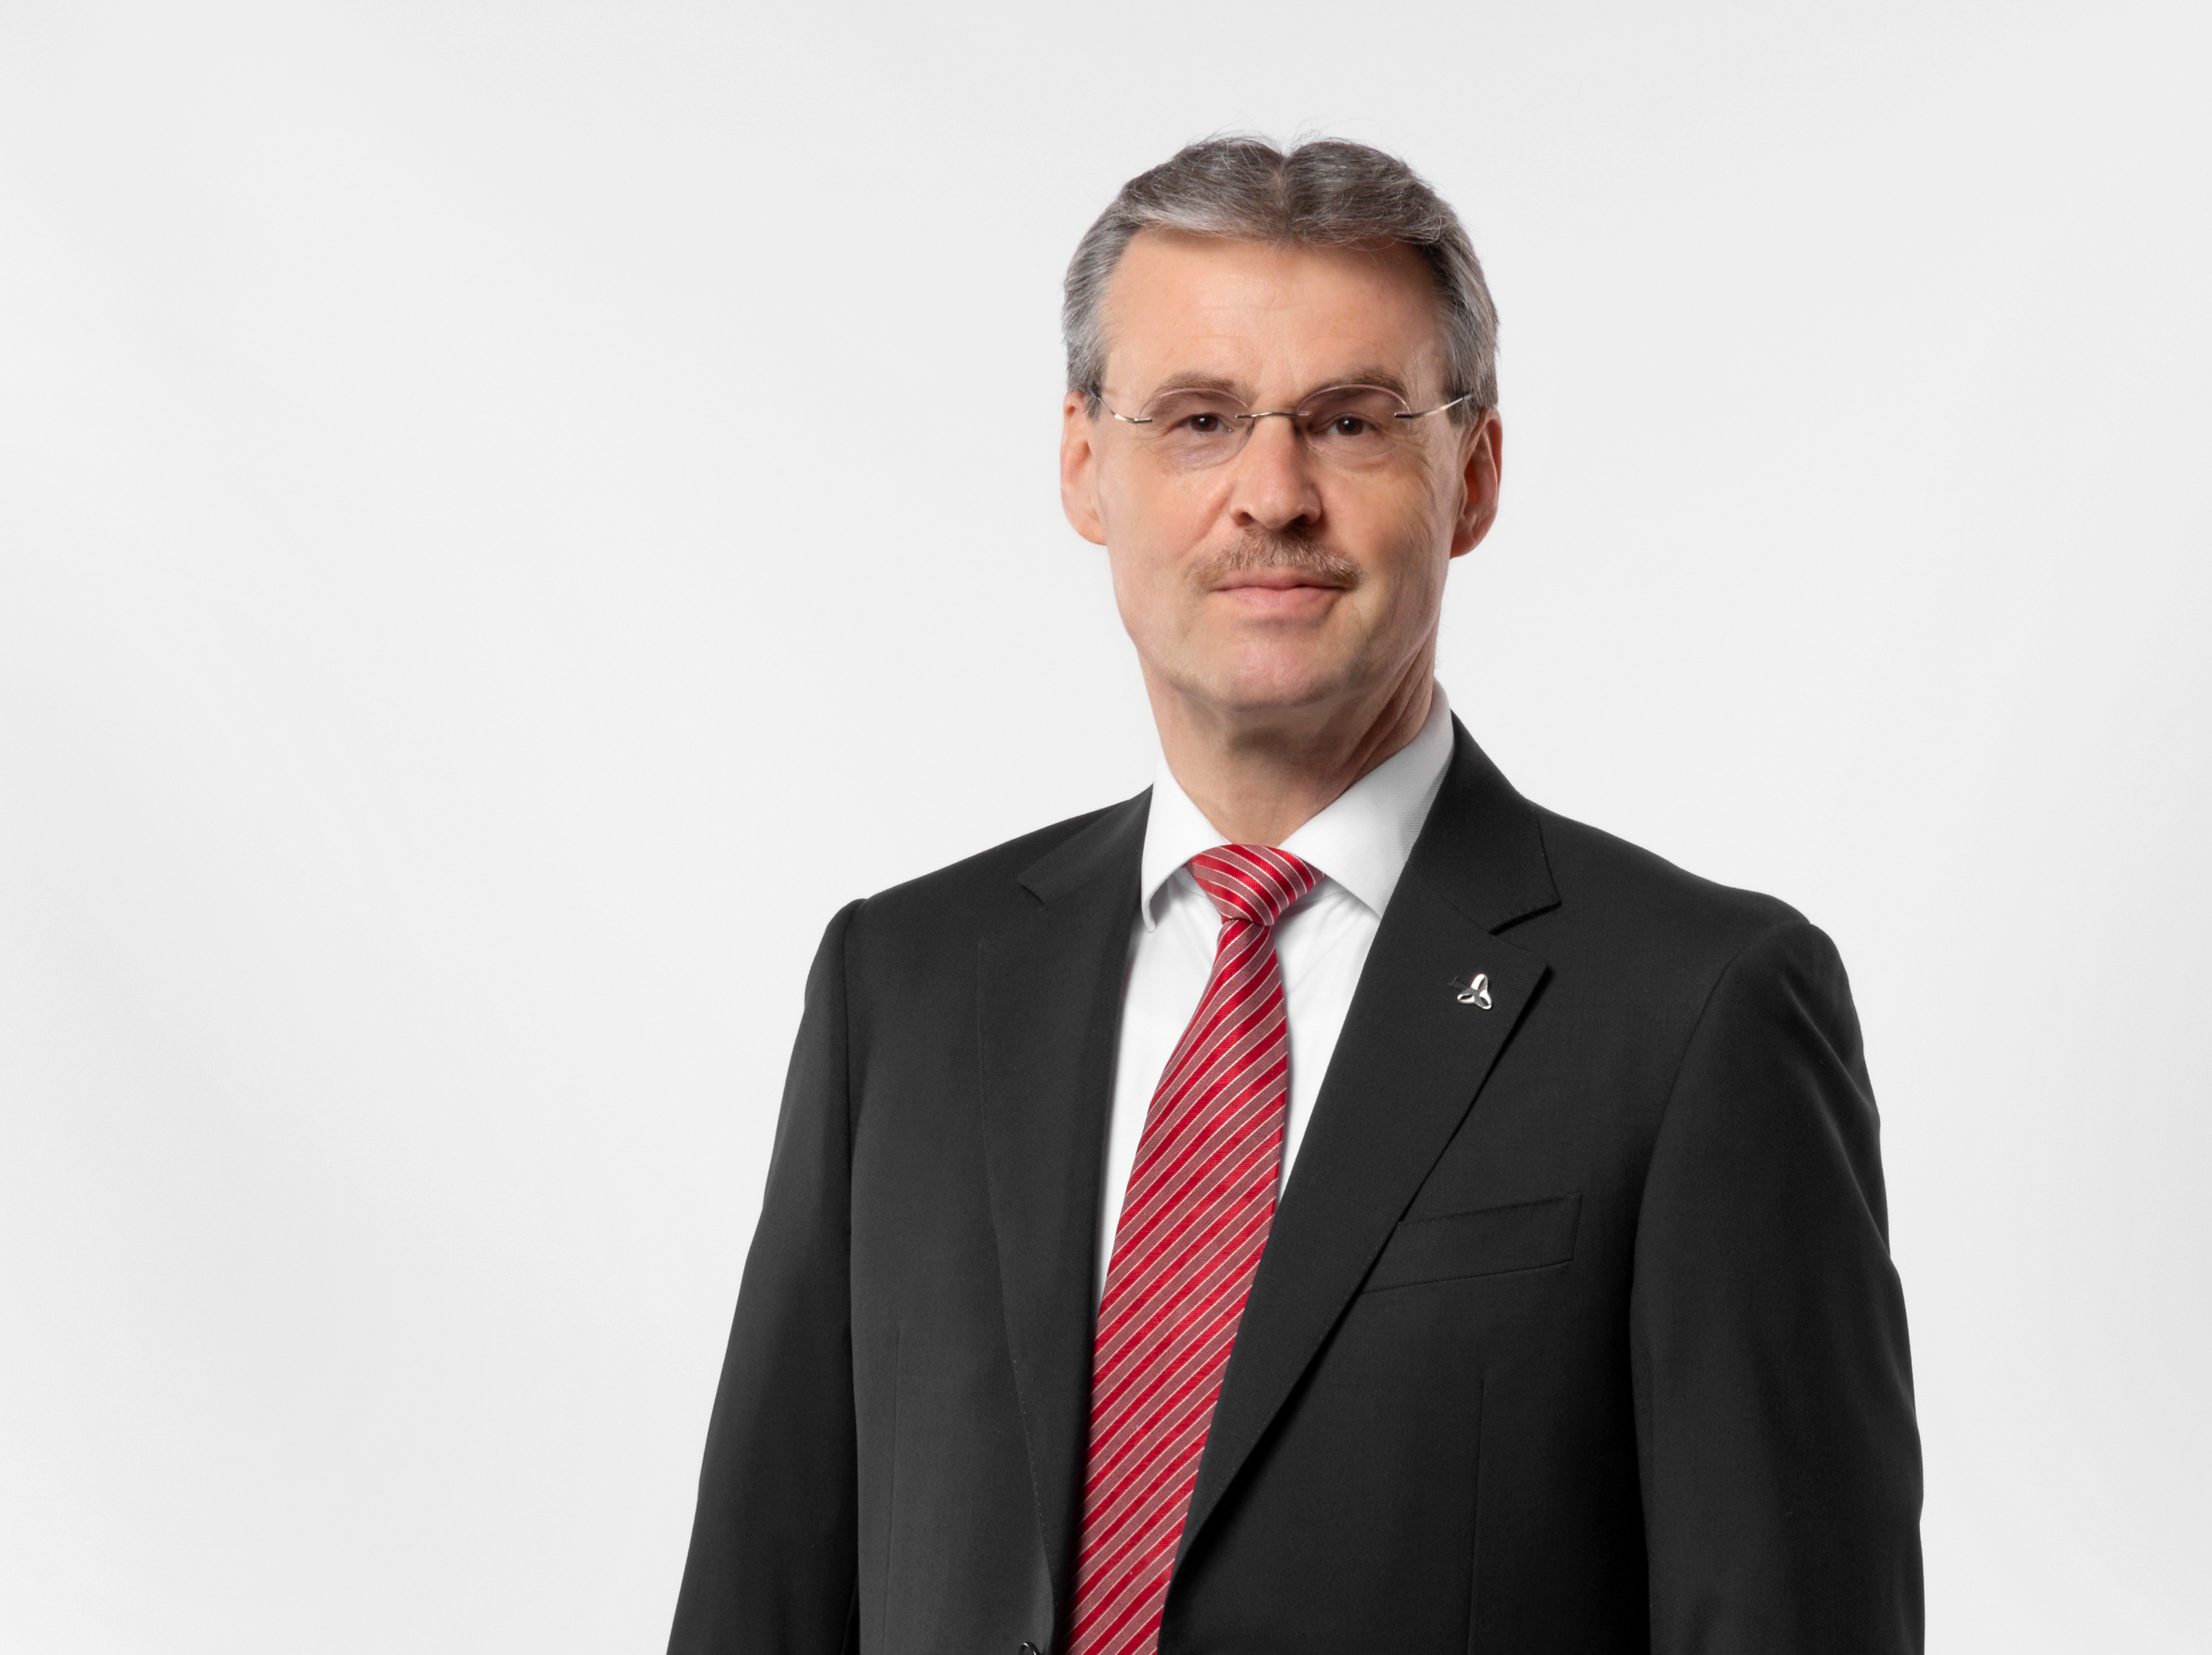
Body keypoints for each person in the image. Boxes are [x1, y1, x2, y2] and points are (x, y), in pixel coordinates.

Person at [667, 136, 1922, 1655]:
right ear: (1084, 463)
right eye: (1199, 419)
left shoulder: (1698, 1012)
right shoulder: (905, 988)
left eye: (1349, 422)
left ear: (1473, 474)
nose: (1272, 496)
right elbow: (760, 1604)